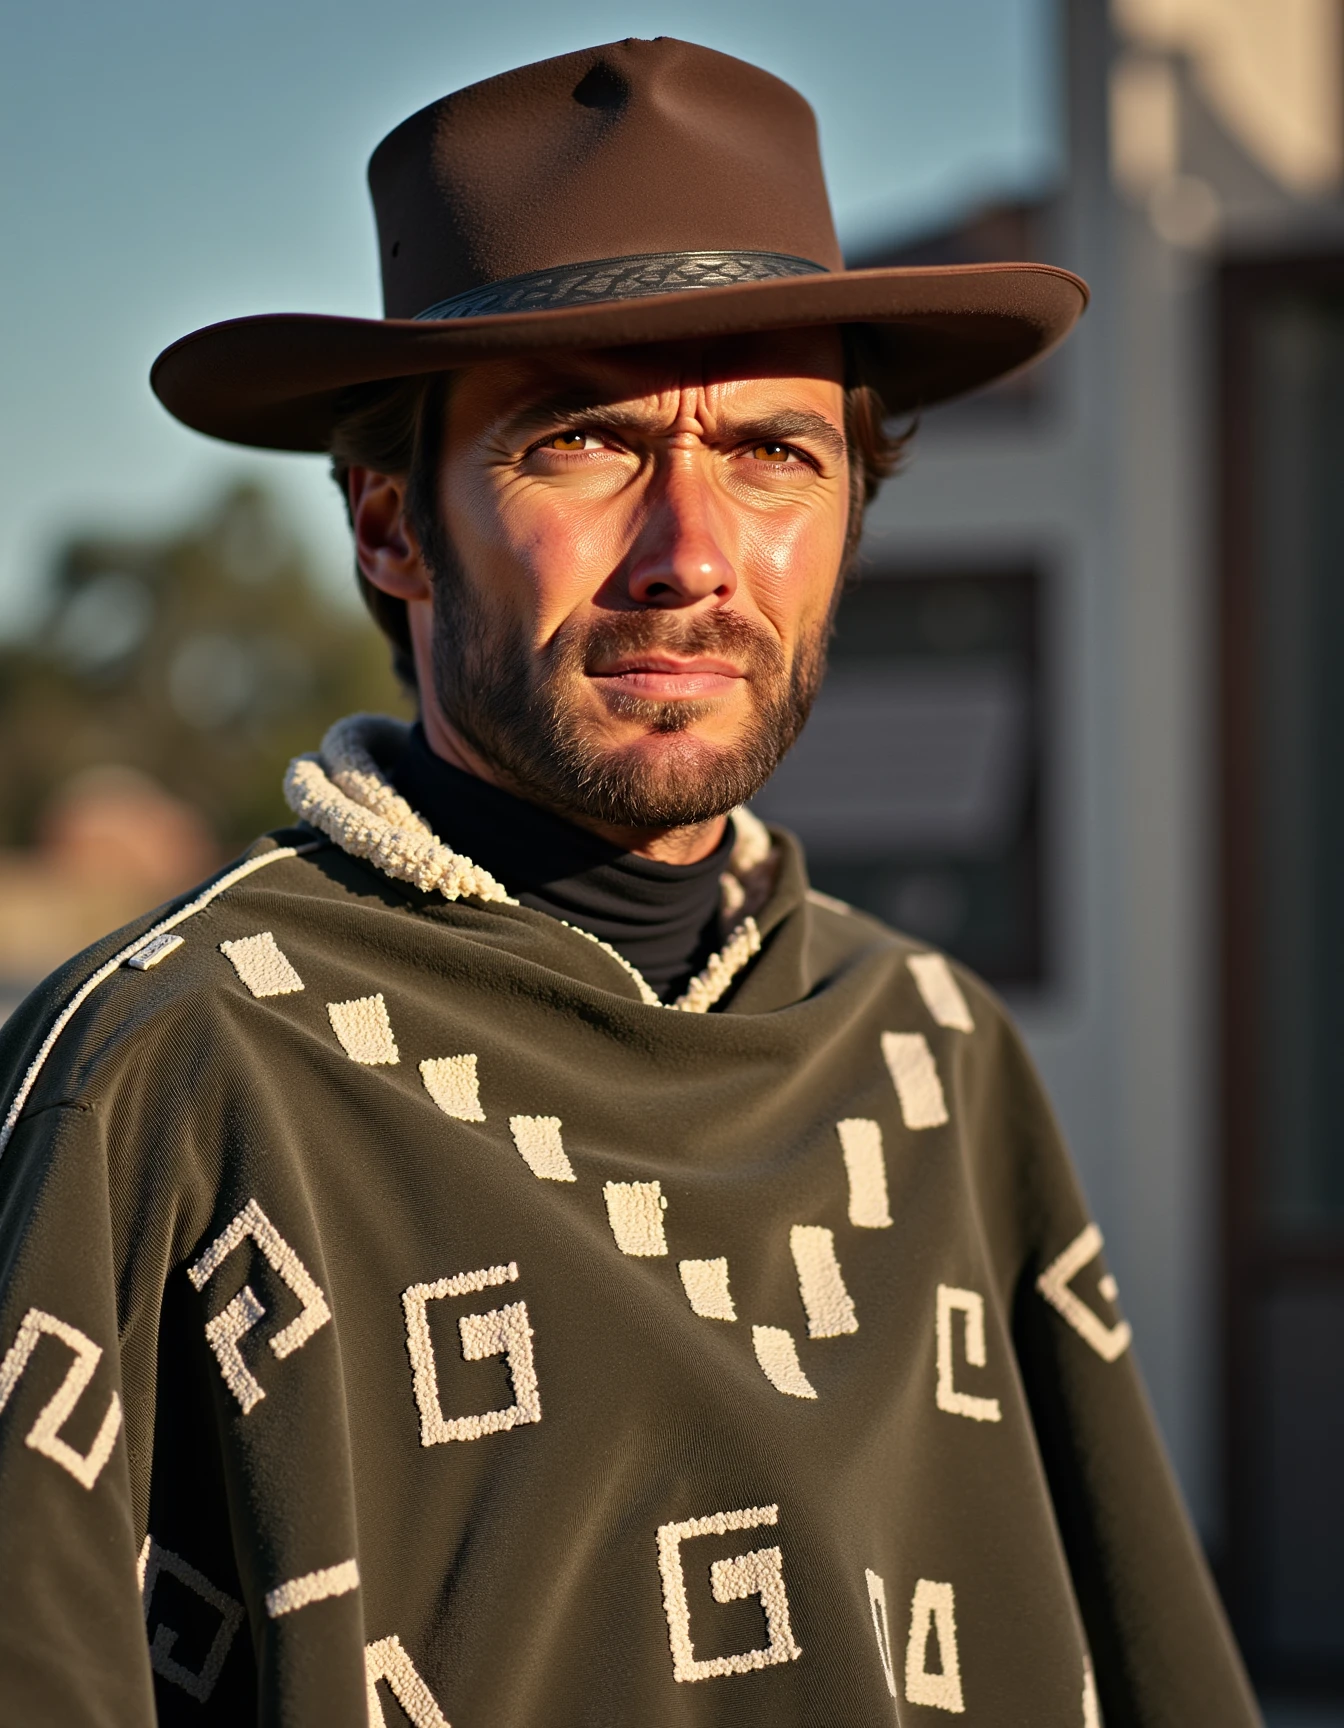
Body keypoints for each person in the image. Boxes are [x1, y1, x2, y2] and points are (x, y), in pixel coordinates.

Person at [0, 37, 1260, 1728]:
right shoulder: (172, 1064)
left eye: (774, 455)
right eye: (584, 442)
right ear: (390, 523)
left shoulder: (932, 1054)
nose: (695, 552)